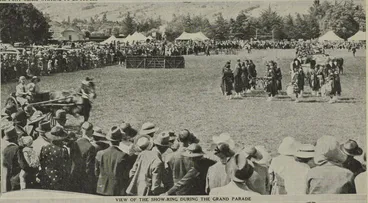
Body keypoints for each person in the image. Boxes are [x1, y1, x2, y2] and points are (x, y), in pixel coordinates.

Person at [126, 132, 171, 196]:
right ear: (164, 148)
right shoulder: (158, 162)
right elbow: (155, 188)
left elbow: (132, 172)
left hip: (134, 190)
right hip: (146, 193)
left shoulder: (142, 154)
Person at [95, 126, 131, 196]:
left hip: (101, 188)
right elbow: (125, 175)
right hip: (117, 189)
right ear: (120, 140)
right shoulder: (123, 155)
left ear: (109, 140)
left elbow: (96, 172)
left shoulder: (100, 153)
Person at [39, 126, 71, 191]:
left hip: (47, 175)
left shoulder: (45, 148)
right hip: (59, 176)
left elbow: (42, 162)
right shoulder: (63, 150)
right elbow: (66, 165)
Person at [69, 122, 97, 194]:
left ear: (81, 130)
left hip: (73, 175)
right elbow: (89, 168)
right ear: (91, 132)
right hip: (83, 179)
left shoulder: (74, 143)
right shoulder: (90, 147)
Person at [2, 127, 21, 191]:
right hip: (17, 179)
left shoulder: (5, 150)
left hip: (9, 179)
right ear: (15, 138)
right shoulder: (17, 149)